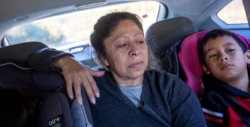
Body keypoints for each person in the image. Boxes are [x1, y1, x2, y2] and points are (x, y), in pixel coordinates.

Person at [32, 12, 205, 126]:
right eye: (122, 44)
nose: (135, 50)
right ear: (104, 58)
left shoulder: (169, 86)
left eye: (139, 41)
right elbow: (32, 58)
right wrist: (65, 62)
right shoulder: (89, 86)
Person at [198, 29, 250, 127]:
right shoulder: (213, 100)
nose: (223, 57)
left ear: (247, 56)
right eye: (213, 55)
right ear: (206, 69)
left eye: (230, 50)